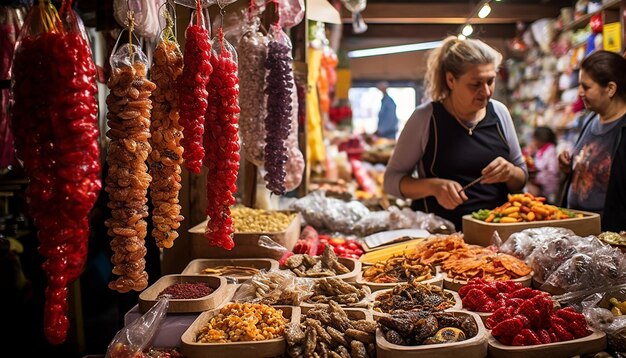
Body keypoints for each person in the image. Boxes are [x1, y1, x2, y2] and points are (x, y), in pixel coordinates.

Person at [383, 36, 527, 229]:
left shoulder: (499, 113)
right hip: (439, 236)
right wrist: (434, 187)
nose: (486, 92)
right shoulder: (426, 118)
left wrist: (510, 173)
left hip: (496, 234)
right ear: (451, 80)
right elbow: (391, 181)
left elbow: (521, 178)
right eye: (475, 84)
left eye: (490, 81)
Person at [558, 50, 626, 231]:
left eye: (586, 87)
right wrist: (570, 166)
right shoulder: (590, 120)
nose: (580, 92)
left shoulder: (623, 128)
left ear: (610, 88)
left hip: (609, 233)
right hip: (578, 228)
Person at [526, 126, 560, 203]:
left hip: (547, 188)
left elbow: (553, 171)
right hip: (540, 185)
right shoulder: (541, 150)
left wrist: (538, 176)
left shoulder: (551, 151)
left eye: (534, 139)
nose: (533, 141)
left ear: (541, 139)